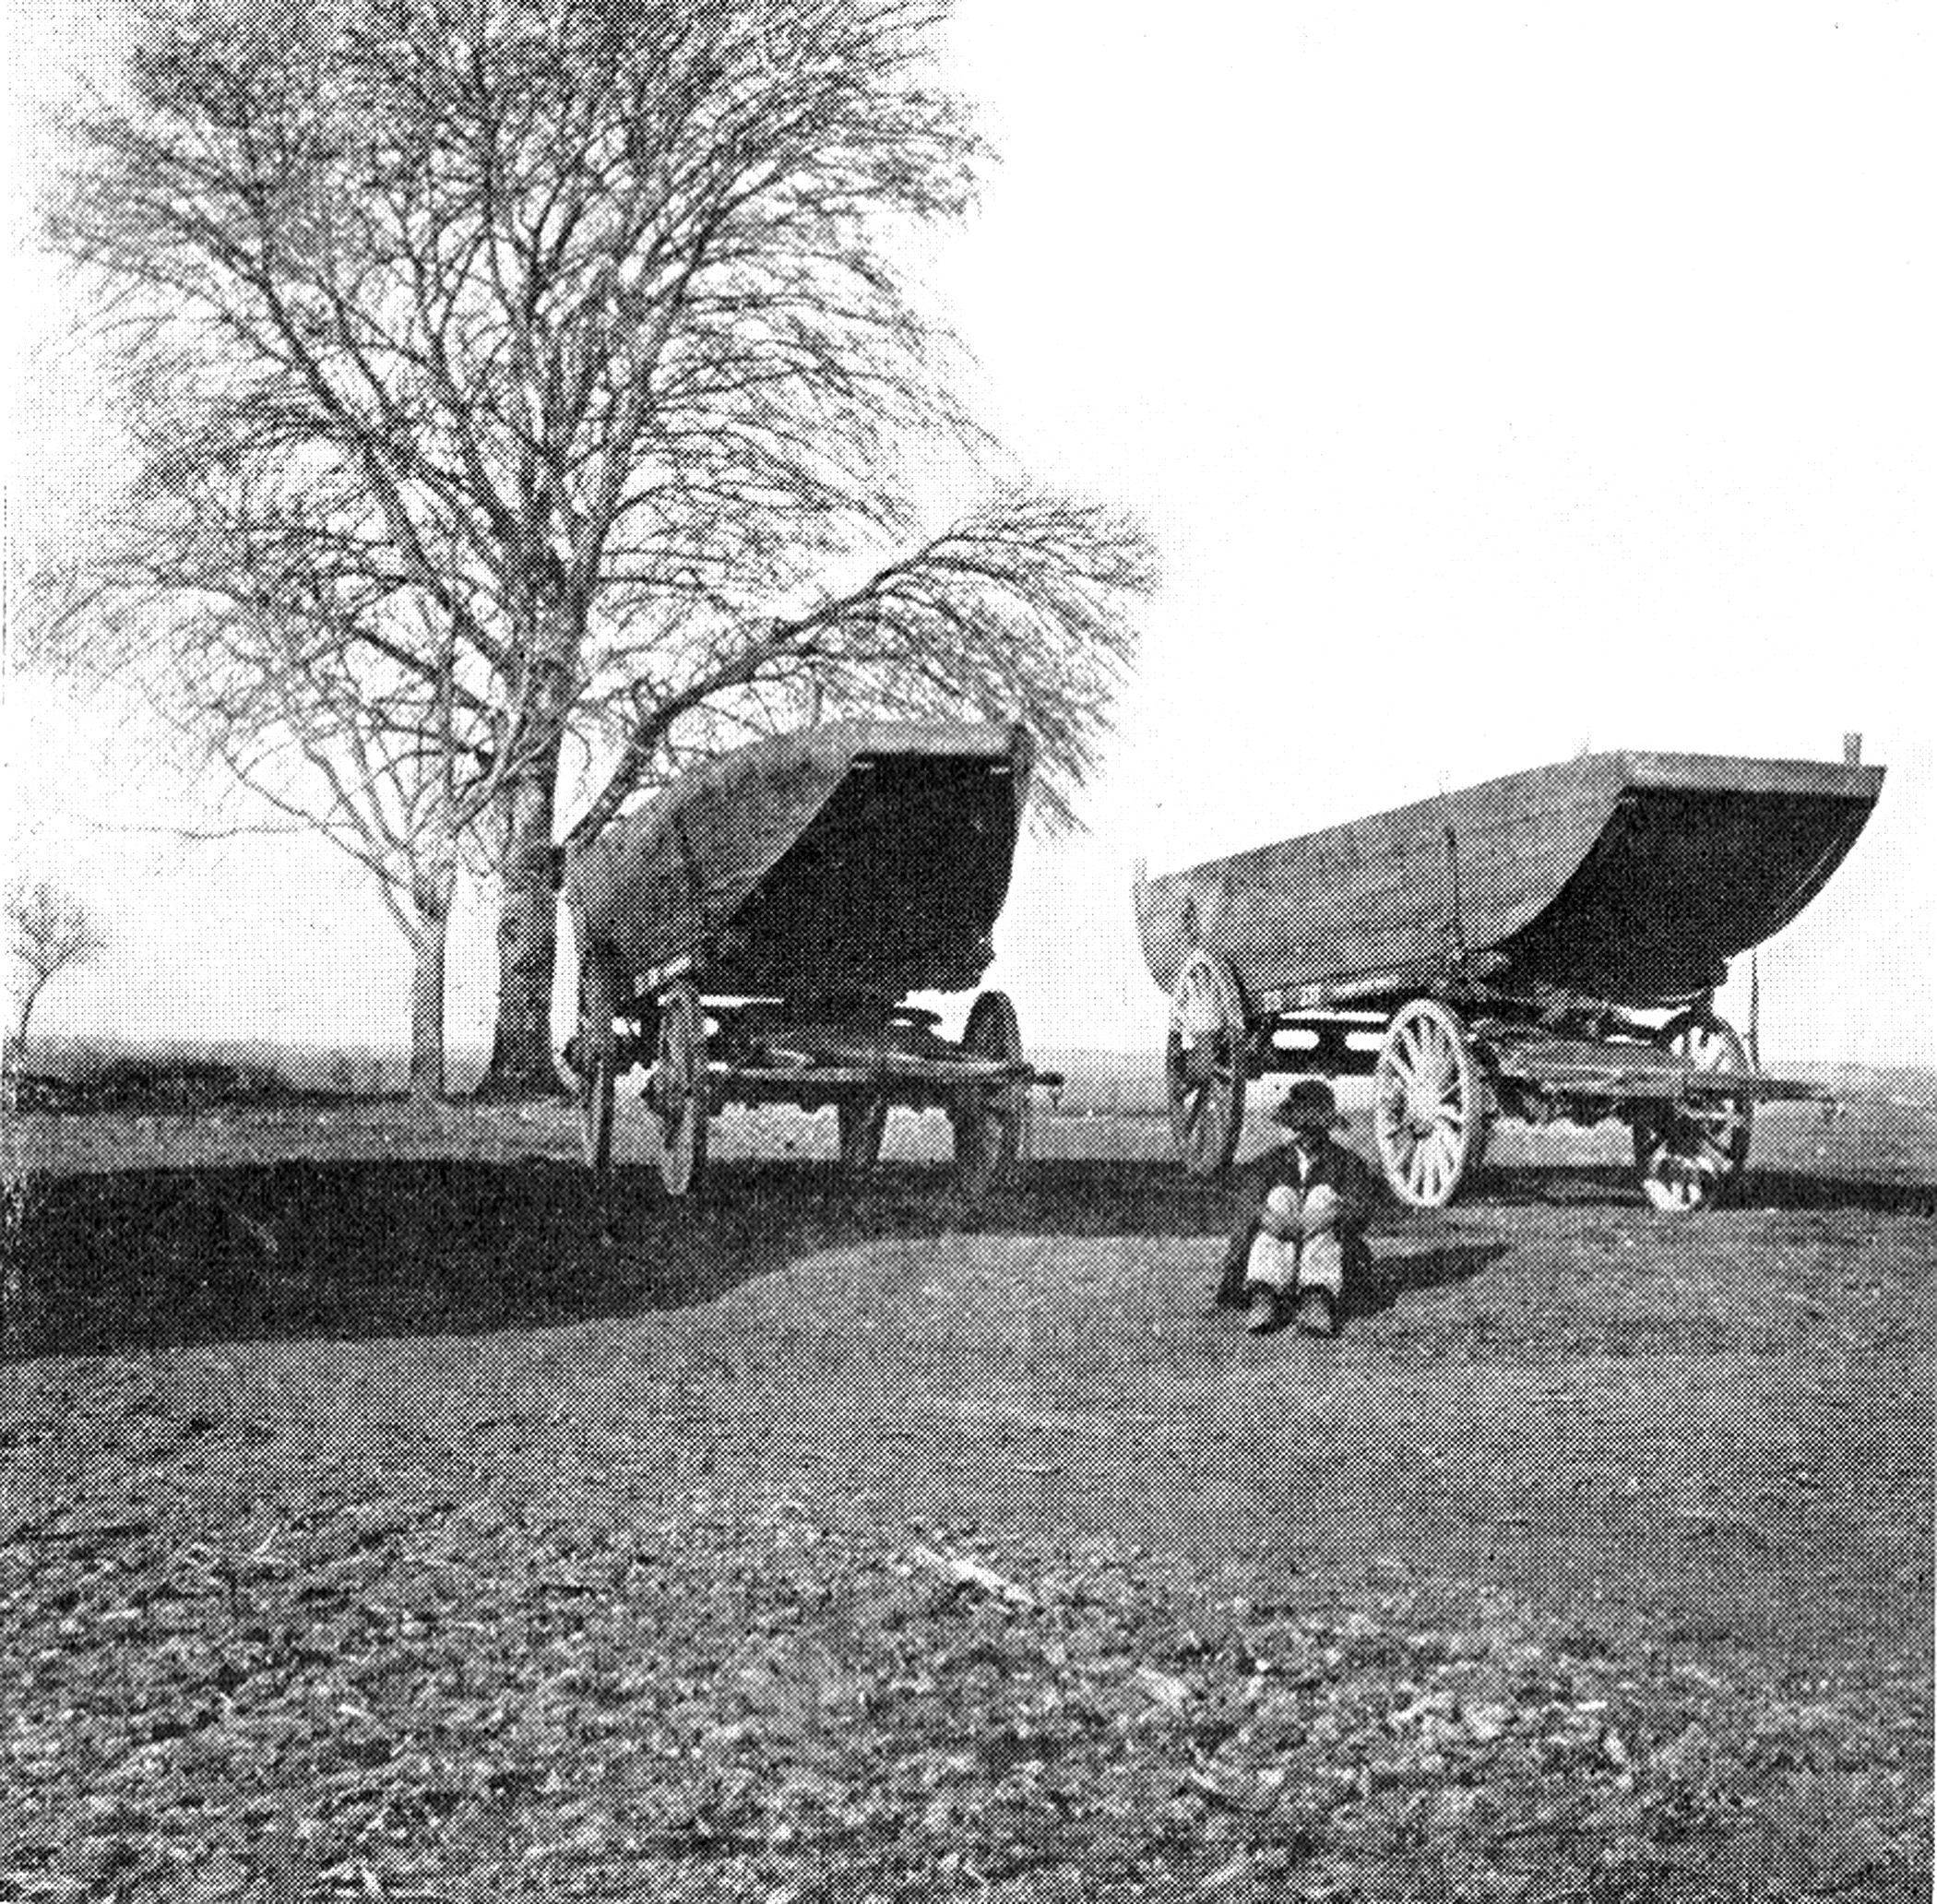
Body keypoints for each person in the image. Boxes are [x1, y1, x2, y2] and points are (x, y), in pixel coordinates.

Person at [1215, 1079, 1382, 1336]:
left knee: (1322, 1196)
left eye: (1314, 1127)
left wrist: (1329, 1215)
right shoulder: (1269, 1162)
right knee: (1280, 1196)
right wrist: (1269, 1218)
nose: (1306, 1135)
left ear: (1325, 1128)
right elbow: (1246, 1203)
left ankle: (1317, 1298)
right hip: (1277, 1246)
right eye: (1299, 1126)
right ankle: (1264, 1295)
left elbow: (1361, 1208)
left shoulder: (1348, 1163)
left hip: (1328, 1256)